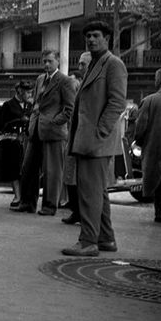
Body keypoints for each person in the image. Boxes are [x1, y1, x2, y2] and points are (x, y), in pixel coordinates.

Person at [62, 19, 127, 256]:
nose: (91, 39)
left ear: (106, 38)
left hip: (95, 142)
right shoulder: (94, 65)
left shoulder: (113, 64)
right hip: (87, 140)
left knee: (89, 192)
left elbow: (117, 102)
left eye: (96, 35)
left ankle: (88, 241)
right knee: (97, 191)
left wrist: (100, 131)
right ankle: (106, 238)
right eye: (88, 35)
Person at [16, 51, 76, 216]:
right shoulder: (40, 79)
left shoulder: (65, 81)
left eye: (50, 61)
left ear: (58, 61)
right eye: (44, 61)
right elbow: (36, 103)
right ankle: (27, 202)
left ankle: (50, 205)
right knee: (28, 167)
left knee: (52, 171)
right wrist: (32, 121)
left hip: (53, 132)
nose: (46, 65)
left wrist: (54, 121)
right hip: (35, 129)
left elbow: (70, 108)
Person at [61, 51, 92, 225]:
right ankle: (75, 211)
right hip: (73, 136)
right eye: (79, 64)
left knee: (84, 180)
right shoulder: (78, 84)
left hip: (86, 138)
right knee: (70, 176)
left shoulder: (93, 84)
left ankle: (84, 214)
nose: (79, 67)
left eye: (83, 64)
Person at [133, 67, 161, 224]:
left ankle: (160, 213)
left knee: (158, 183)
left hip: (156, 150)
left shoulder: (149, 101)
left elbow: (140, 128)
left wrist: (139, 141)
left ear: (159, 80)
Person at [0, 80, 32, 209]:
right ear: (20, 91)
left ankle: (25, 196)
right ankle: (17, 196)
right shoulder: (9, 105)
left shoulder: (30, 105)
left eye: (30, 92)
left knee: (26, 168)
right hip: (12, 140)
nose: (29, 95)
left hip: (27, 140)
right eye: (27, 92)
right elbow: (3, 124)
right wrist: (18, 120)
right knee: (14, 168)